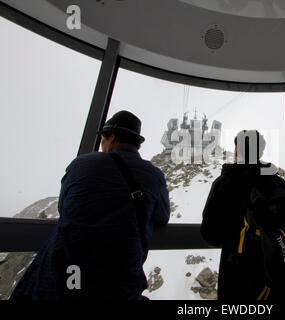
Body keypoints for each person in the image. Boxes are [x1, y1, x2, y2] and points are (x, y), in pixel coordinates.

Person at [11, 110, 170, 300]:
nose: (102, 145)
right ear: (137, 143)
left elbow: (65, 209)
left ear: (110, 137)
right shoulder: (154, 176)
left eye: (103, 139)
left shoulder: (81, 164)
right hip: (118, 281)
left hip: (67, 274)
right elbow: (162, 217)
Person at [201, 130, 285, 300]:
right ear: (260, 152)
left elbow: (210, 234)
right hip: (279, 267)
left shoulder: (226, 182)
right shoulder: (279, 183)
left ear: (238, 150)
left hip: (239, 273)